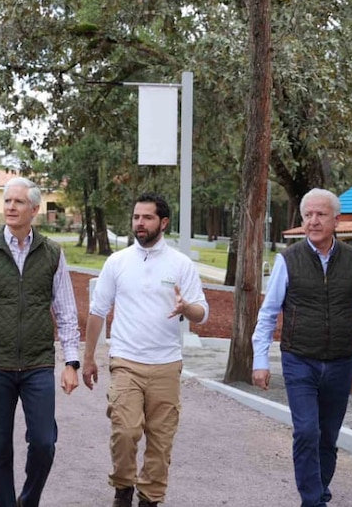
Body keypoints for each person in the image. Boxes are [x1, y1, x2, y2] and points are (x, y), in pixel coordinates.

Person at [252, 188, 352, 507]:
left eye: (321, 215)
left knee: (327, 436)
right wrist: (260, 360)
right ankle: (312, 501)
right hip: (299, 360)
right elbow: (268, 313)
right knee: (306, 432)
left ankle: (319, 489)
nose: (313, 221)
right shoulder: (287, 260)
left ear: (336, 221)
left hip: (341, 362)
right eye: (308, 215)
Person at [0, 176, 81, 507]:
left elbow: (66, 312)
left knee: (43, 442)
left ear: (34, 209)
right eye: (7, 200)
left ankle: (29, 498)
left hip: (38, 363)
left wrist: (71, 362)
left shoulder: (52, 252)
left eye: (18, 201)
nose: (10, 207)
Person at [82, 193, 209, 507]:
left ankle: (150, 498)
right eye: (137, 216)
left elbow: (202, 312)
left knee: (160, 440)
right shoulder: (118, 262)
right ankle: (123, 487)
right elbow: (98, 311)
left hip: (166, 365)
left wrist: (186, 308)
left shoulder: (180, 264)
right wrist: (88, 359)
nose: (140, 222)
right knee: (124, 431)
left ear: (163, 223)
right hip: (126, 361)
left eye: (147, 217)